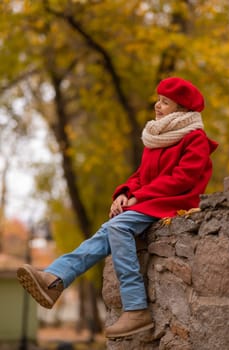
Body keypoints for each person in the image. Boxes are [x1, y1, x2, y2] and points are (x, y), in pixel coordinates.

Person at [17, 76, 218, 338]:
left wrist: (140, 197)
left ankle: (136, 310)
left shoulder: (194, 139)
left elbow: (182, 179)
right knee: (108, 230)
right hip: (152, 201)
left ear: (182, 109)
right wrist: (125, 193)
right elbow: (140, 175)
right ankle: (55, 279)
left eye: (165, 102)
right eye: (158, 100)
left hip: (176, 202)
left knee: (118, 227)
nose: (157, 106)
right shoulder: (159, 136)